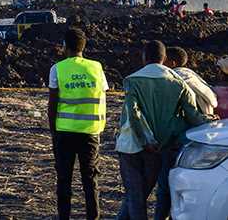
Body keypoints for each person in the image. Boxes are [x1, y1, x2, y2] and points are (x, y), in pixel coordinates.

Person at [115, 41, 212, 220]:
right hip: (159, 147)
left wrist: (145, 141)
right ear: (165, 58)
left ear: (144, 58)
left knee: (136, 198)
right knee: (140, 195)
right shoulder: (179, 84)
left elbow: (133, 115)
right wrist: (211, 122)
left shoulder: (132, 80)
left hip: (131, 145)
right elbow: (193, 116)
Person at [47, 28, 107, 220]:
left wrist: (53, 133)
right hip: (90, 132)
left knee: (64, 181)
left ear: (65, 46)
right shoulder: (97, 68)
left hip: (64, 133)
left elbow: (53, 104)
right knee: (90, 181)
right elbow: (101, 95)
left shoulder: (58, 69)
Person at [165, 47, 217, 116]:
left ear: (172, 63)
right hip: (207, 119)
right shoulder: (191, 75)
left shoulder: (177, 78)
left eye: (163, 60)